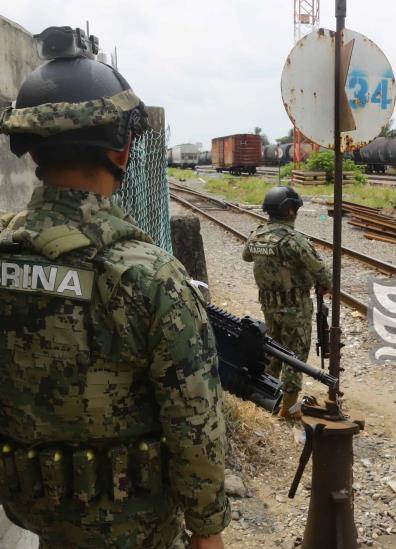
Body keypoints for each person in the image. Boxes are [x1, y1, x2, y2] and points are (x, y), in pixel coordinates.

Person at [0, 27, 229, 549]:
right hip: (137, 527)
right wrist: (207, 530)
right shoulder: (149, 277)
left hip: (31, 508)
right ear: (122, 150)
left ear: (33, 153)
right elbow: (194, 421)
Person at [243, 186, 331, 419]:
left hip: (269, 305)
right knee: (294, 355)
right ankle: (289, 408)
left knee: (272, 350)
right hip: (295, 307)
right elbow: (323, 275)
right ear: (290, 211)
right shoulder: (295, 241)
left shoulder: (256, 235)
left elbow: (247, 256)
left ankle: (267, 396)